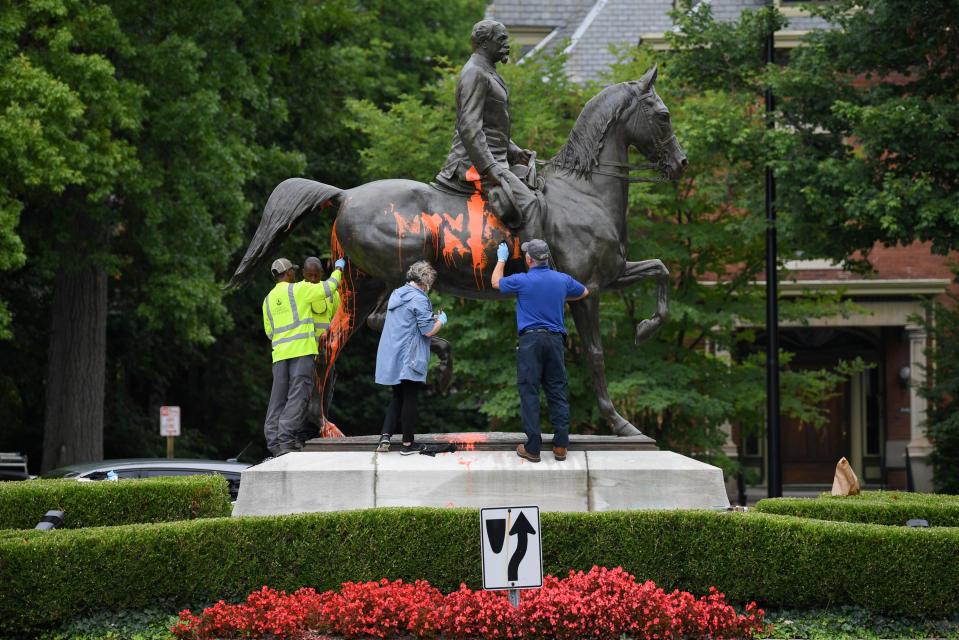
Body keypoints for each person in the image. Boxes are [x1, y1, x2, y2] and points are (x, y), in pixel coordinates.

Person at [435, 19, 543, 230]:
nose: (507, 44)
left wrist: (514, 151)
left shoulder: (487, 70)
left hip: (494, 161)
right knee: (530, 204)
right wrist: (489, 166)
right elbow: (470, 127)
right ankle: (535, 263)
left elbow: (490, 127)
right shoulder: (475, 72)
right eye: (501, 39)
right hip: (472, 165)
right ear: (485, 43)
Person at [491, 239, 589, 462]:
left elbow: (496, 283)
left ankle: (533, 448)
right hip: (555, 342)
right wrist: (561, 295)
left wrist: (501, 259)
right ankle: (561, 446)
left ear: (528, 259)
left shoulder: (522, 280)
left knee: (530, 392)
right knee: (557, 390)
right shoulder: (562, 279)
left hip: (531, 341)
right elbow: (584, 291)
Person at [262, 256, 345, 457]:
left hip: (280, 355)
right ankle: (287, 440)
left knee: (278, 399)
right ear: (289, 273)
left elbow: (269, 332)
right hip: (302, 352)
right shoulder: (298, 289)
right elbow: (329, 287)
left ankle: (274, 442)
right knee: (298, 397)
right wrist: (339, 270)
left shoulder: (268, 299)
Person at [374, 261, 448, 455]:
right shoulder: (420, 298)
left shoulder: (397, 294)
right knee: (410, 397)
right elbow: (428, 331)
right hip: (410, 357)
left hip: (394, 354)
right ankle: (408, 444)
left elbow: (407, 320)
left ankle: (385, 436)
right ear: (426, 281)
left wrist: (428, 317)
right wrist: (440, 321)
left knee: (397, 395)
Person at [300, 256, 343, 441]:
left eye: (316, 276)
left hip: (326, 354)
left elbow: (336, 319)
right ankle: (302, 435)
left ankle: (318, 432)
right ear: (303, 274)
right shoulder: (299, 291)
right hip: (306, 353)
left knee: (325, 394)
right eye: (309, 275)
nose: (313, 279)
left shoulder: (331, 293)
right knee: (303, 395)